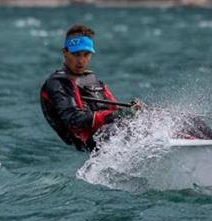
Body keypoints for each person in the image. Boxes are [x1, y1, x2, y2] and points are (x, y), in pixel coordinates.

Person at [39, 24, 139, 152]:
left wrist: (131, 110)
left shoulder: (91, 78)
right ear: (65, 53)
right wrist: (115, 115)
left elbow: (114, 108)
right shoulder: (57, 82)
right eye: (76, 54)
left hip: (111, 131)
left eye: (86, 55)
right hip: (94, 141)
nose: (81, 61)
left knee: (150, 119)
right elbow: (74, 120)